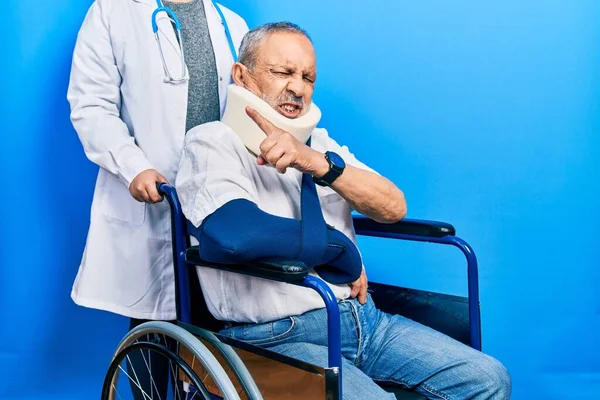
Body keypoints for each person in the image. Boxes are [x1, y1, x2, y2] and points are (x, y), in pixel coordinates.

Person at [176, 22, 512, 399]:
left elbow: (392, 206)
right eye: (283, 72)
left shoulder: (320, 144)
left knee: (488, 378)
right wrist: (340, 249)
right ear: (243, 76)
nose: (297, 87)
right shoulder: (211, 142)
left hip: (364, 320)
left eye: (308, 77)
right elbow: (235, 235)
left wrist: (320, 164)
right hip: (276, 336)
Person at [66, 0, 248, 398]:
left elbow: (249, 110)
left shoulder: (231, 24)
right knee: (153, 331)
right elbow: (90, 105)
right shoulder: (112, 12)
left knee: (216, 342)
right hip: (154, 197)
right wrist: (133, 167)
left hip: (218, 202)